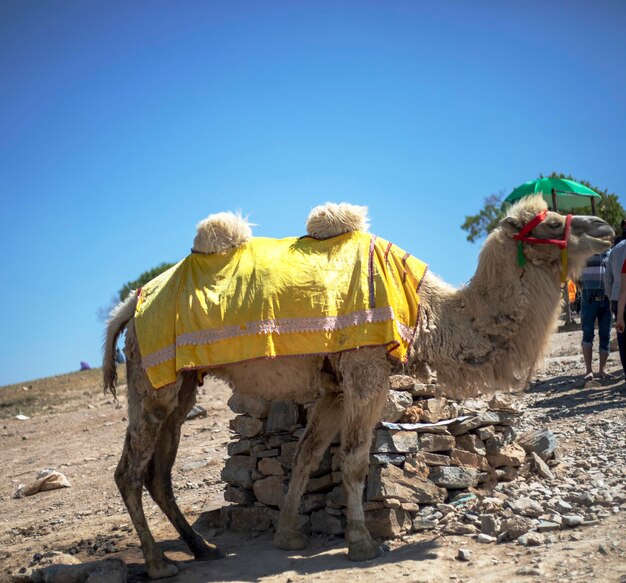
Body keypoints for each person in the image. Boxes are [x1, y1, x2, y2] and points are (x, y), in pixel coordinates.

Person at [580, 247, 612, 380]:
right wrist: (584, 290)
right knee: (587, 333)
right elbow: (575, 274)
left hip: (606, 300)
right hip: (589, 299)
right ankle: (588, 370)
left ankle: (602, 370)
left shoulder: (611, 253)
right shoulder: (584, 252)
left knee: (605, 334)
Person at [605, 237, 626, 376]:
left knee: (623, 341)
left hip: (617, 299)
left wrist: (610, 297)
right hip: (621, 296)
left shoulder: (616, 249)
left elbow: (608, 278)